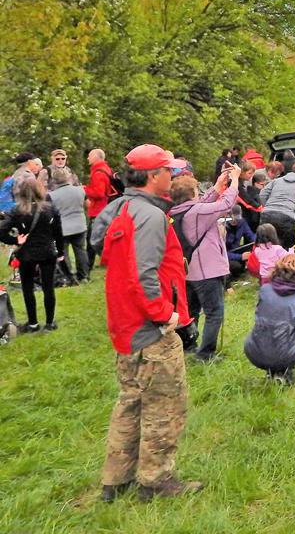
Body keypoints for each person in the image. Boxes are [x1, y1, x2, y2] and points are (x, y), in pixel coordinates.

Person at [89, 144, 200, 503]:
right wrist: (162, 313)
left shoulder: (121, 207)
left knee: (130, 401)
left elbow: (102, 249)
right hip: (149, 328)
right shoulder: (150, 217)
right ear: (155, 176)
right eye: (169, 170)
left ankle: (115, 480)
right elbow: (143, 274)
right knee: (164, 406)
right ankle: (155, 480)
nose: (175, 175)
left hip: (124, 325)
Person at [168, 165, 239, 362]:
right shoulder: (197, 212)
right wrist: (234, 181)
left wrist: (217, 186)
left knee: (191, 310)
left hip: (188, 270)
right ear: (191, 193)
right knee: (214, 313)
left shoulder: (177, 211)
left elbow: (202, 202)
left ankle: (188, 345)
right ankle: (205, 354)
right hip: (206, 270)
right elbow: (225, 204)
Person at [242, 253, 295, 384]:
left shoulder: (265, 290)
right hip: (285, 355)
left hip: (254, 350)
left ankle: (273, 372)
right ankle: (283, 372)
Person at [0, 180, 64, 331]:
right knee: (48, 287)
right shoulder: (50, 209)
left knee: (28, 288)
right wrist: (60, 252)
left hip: (26, 252)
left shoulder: (17, 211)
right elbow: (59, 233)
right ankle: (49, 323)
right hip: (47, 251)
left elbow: (1, 231)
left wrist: (15, 240)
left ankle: (33, 323)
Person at [48, 167, 89, 283]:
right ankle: (84, 275)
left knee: (63, 252)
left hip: (62, 228)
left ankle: (69, 276)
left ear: (54, 180)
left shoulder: (51, 195)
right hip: (79, 225)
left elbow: (49, 212)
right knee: (81, 251)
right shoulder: (80, 190)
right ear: (68, 177)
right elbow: (87, 205)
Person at [84, 148, 118, 265]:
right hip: (106, 209)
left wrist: (85, 189)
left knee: (92, 241)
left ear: (96, 157)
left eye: (89, 156)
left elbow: (99, 193)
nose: (88, 158)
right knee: (100, 239)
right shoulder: (106, 169)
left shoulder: (98, 172)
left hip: (98, 211)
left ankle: (87, 268)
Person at [259, 162, 295, 249]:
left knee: (265, 246)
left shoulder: (277, 180)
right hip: (287, 217)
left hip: (267, 215)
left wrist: (268, 206)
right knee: (286, 247)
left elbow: (262, 194)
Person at [224, 205, 254, 284]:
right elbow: (221, 253)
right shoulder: (222, 228)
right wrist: (240, 257)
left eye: (238, 219)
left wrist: (259, 241)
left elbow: (250, 235)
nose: (236, 221)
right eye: (234, 219)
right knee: (237, 266)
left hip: (236, 250)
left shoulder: (242, 222)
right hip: (226, 256)